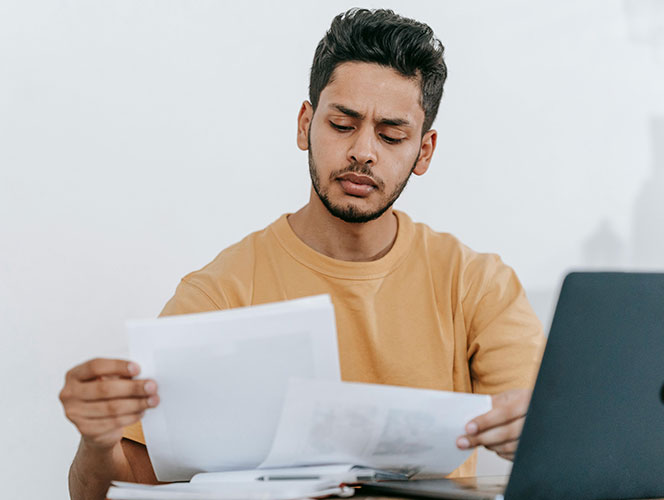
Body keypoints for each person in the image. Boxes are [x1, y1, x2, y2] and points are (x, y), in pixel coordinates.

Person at [59, 8, 545, 500]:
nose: (363, 152)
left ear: (423, 151)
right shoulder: (223, 290)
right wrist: (95, 442)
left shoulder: (476, 283)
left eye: (391, 135)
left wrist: (533, 434)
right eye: (341, 124)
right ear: (305, 125)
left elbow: (553, 445)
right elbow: (111, 490)